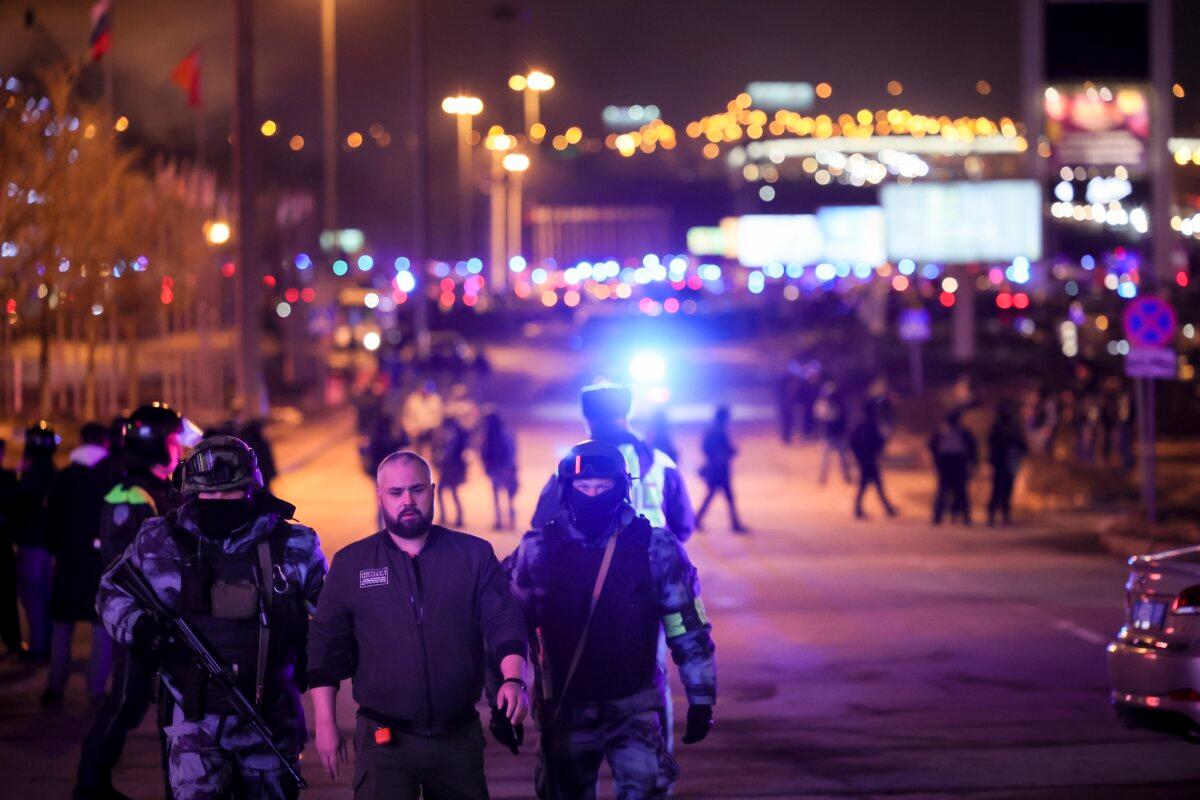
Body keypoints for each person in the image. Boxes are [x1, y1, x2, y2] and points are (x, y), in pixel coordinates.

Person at [95, 434, 326, 800]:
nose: (219, 502)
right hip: (191, 724)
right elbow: (110, 593)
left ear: (251, 489)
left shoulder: (294, 546)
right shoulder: (160, 541)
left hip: (270, 720)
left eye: (230, 493)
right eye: (209, 495)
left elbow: (333, 619)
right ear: (190, 492)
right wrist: (140, 629)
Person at [307, 450, 529, 800]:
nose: (407, 500)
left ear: (433, 490)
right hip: (383, 742)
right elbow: (324, 647)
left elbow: (504, 621)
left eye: (417, 490)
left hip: (457, 737)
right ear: (380, 497)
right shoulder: (352, 564)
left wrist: (513, 679)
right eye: (396, 493)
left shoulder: (473, 555)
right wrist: (325, 723)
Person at [509, 440, 717, 800]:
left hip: (634, 707)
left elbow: (687, 626)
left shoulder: (656, 548)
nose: (592, 495)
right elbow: (506, 627)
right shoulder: (537, 550)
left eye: (603, 488)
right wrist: (504, 693)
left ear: (622, 489)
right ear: (566, 490)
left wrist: (701, 696)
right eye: (583, 488)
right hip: (566, 711)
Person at [75, 402, 202, 800]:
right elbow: (125, 568)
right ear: (156, 445)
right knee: (126, 701)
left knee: (166, 707)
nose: (179, 449)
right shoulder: (129, 494)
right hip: (140, 622)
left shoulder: (156, 489)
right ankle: (90, 786)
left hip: (164, 621)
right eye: (172, 441)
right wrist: (141, 621)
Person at [532, 383, 694, 541]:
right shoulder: (662, 462)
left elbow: (541, 521)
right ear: (627, 416)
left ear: (588, 421)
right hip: (652, 560)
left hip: (592, 564)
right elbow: (684, 526)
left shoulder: (573, 465)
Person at [42, 422, 113, 709]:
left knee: (62, 626)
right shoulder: (110, 477)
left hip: (68, 561)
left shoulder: (64, 477)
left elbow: (51, 520)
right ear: (104, 443)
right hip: (99, 563)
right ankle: (96, 690)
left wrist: (55, 550)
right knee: (101, 628)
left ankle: (54, 686)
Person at [14, 420, 60, 662]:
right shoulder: (56, 475)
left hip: (31, 545)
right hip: (51, 547)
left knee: (33, 598)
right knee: (47, 598)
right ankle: (47, 645)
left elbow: (17, 509)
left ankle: (39, 647)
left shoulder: (28, 478)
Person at [695, 405, 746, 533]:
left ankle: (697, 520)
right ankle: (735, 524)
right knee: (726, 497)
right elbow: (726, 449)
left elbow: (705, 448)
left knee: (713, 495)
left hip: (715, 468)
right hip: (720, 470)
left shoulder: (712, 431)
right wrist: (728, 452)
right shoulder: (719, 432)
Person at [849, 402, 897, 520]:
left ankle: (861, 509)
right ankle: (887, 509)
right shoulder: (871, 426)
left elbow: (853, 443)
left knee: (866, 485)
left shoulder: (860, 426)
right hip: (869, 460)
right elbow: (878, 442)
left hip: (864, 460)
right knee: (873, 485)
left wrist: (857, 456)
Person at [929, 410, 978, 526]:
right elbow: (932, 446)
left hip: (955, 462)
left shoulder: (959, 432)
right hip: (950, 463)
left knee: (957, 490)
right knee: (951, 490)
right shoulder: (944, 432)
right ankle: (940, 516)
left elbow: (972, 447)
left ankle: (963, 516)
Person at [987, 402, 1028, 526]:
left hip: (1006, 462)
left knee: (1001, 490)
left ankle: (999, 515)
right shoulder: (1004, 427)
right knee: (1002, 490)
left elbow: (1022, 444)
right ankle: (998, 515)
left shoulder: (1001, 427)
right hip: (1004, 463)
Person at [0, 438, 22, 656]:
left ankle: (13, 642)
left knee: (7, 597)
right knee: (6, 598)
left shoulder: (7, 478)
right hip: (3, 543)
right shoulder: (7, 479)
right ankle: (12, 643)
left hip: (4, 544)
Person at [481, 411, 518, 531]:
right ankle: (509, 521)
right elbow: (512, 452)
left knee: (498, 495)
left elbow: (485, 453)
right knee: (508, 497)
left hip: (498, 469)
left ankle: (500, 521)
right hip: (503, 468)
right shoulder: (505, 434)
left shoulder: (489, 436)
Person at [434, 416, 469, 528]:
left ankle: (455, 517)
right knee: (450, 492)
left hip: (450, 469)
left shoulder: (452, 436)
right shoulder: (455, 435)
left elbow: (449, 453)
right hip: (450, 469)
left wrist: (440, 460)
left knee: (448, 492)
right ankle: (455, 517)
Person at [815, 381, 852, 485]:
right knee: (825, 457)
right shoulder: (822, 404)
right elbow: (820, 420)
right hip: (828, 435)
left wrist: (844, 431)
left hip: (838, 434)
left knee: (843, 456)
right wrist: (821, 433)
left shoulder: (839, 404)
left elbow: (844, 419)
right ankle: (822, 478)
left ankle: (847, 476)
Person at [402, 381, 444, 460]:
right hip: (414, 431)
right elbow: (407, 416)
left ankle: (428, 466)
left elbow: (438, 418)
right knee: (414, 452)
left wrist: (427, 428)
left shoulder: (435, 400)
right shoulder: (413, 399)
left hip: (429, 431)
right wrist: (410, 429)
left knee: (427, 452)